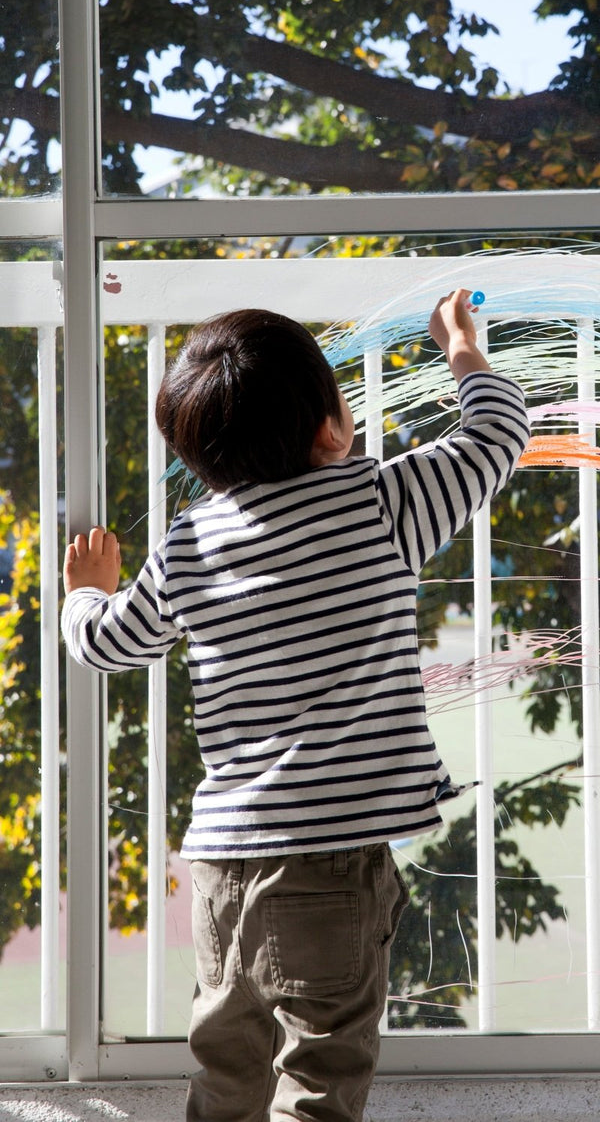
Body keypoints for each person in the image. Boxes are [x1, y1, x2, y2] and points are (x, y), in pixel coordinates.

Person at [62, 290, 530, 1122]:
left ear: (199, 456)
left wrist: (84, 595)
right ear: (331, 428)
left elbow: (107, 643)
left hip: (223, 867)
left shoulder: (189, 545)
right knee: (321, 1067)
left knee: (227, 1061)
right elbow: (497, 434)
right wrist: (460, 344)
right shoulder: (383, 504)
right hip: (330, 864)